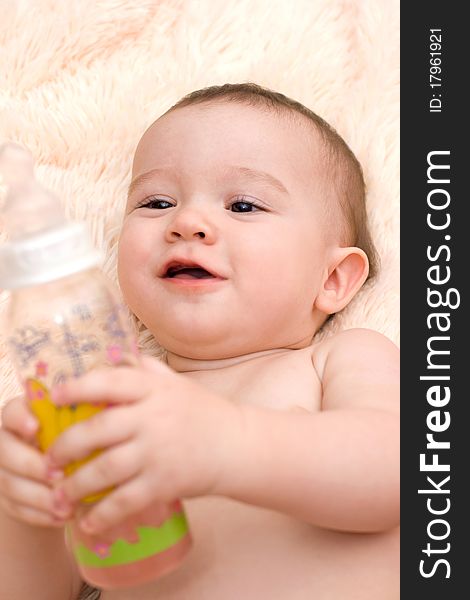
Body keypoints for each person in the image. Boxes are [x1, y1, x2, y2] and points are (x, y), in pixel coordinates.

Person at [0, 83, 399, 600]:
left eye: (244, 205)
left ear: (333, 279)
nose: (186, 222)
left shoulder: (342, 358)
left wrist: (226, 443)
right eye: (157, 201)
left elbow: (408, 475)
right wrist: (26, 510)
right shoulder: (105, 408)